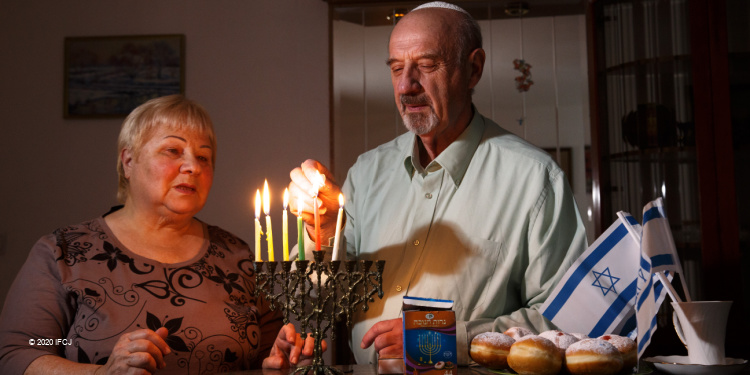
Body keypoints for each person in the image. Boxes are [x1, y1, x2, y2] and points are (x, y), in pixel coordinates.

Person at [288, 1, 587, 367]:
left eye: (426, 66)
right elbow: (318, 302)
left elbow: (568, 321)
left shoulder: (534, 177)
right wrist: (323, 228)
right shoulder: (366, 172)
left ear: (473, 68)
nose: (405, 85)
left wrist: (440, 338)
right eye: (396, 68)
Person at [0, 95, 319, 374]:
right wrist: (101, 374)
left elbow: (266, 355)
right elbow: (18, 353)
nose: (192, 166)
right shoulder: (64, 252)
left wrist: (277, 362)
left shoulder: (236, 255)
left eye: (204, 157)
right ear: (128, 161)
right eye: (173, 150)